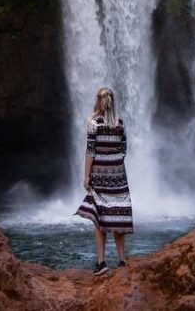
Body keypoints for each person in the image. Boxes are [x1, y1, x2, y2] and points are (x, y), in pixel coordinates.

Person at [75, 87, 133, 275]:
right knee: (118, 216)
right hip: (118, 177)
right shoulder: (120, 124)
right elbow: (124, 149)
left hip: (99, 176)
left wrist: (86, 176)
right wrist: (114, 163)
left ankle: (101, 263)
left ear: (98, 101)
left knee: (99, 218)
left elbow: (90, 151)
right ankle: (122, 260)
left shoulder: (93, 123)